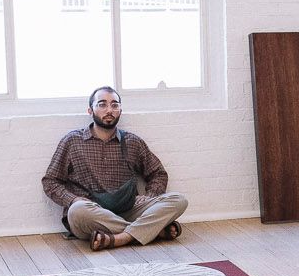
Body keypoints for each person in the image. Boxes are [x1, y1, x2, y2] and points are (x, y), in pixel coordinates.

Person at [41, 86, 190, 250]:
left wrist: (150, 195)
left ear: (120, 110)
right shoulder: (72, 141)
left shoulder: (133, 142)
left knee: (179, 200)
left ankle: (120, 238)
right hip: (92, 214)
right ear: (90, 110)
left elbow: (158, 173)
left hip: (128, 209)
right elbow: (50, 181)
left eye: (114, 105)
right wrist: (73, 199)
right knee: (76, 211)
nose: (109, 110)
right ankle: (151, 231)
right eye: (102, 104)